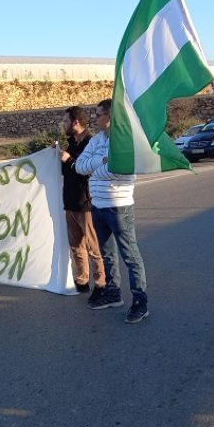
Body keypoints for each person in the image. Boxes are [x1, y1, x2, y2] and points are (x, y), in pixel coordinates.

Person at [75, 99, 149, 324]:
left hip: (119, 205)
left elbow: (121, 173)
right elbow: (79, 166)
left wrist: (96, 169)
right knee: (107, 253)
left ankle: (140, 300)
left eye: (98, 115)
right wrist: (102, 161)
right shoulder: (96, 140)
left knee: (129, 254)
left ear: (110, 117)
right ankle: (113, 293)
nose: (95, 119)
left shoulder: (124, 140)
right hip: (98, 204)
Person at [59, 106, 105, 296]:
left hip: (85, 203)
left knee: (94, 247)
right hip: (70, 202)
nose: (63, 124)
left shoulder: (90, 143)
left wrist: (68, 160)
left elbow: (84, 170)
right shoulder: (71, 144)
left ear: (75, 122)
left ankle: (101, 283)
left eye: (66, 121)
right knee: (76, 246)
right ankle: (82, 281)